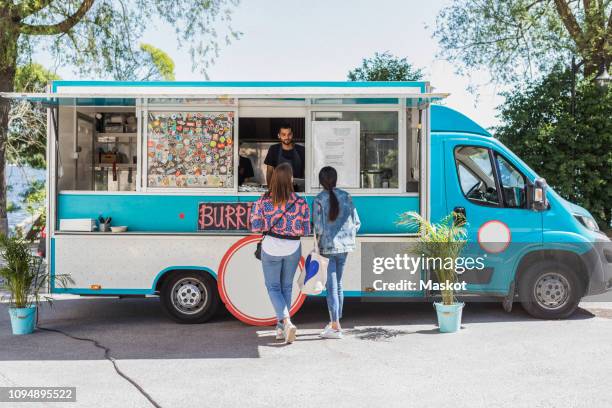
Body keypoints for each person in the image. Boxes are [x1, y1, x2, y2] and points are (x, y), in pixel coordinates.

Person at [249, 163, 310, 343]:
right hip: (292, 248)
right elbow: (305, 230)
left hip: (271, 248)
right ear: (290, 179)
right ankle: (281, 327)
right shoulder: (300, 202)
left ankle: (286, 321)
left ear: (274, 179)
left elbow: (255, 227)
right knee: (286, 287)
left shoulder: (263, 201)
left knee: (273, 287)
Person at [312, 166, 360, 339]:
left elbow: (318, 227)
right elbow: (357, 223)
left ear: (320, 181)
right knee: (338, 284)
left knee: (331, 286)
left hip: (327, 247)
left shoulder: (318, 199)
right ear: (336, 179)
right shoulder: (346, 196)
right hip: (345, 247)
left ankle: (335, 326)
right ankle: (336, 322)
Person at [264, 123, 305, 190]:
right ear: (279, 135)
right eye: (283, 134)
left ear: (292, 134)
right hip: (279, 190)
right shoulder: (274, 149)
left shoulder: (301, 150)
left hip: (298, 190)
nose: (287, 137)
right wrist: (270, 190)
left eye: (289, 134)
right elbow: (269, 172)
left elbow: (307, 171)